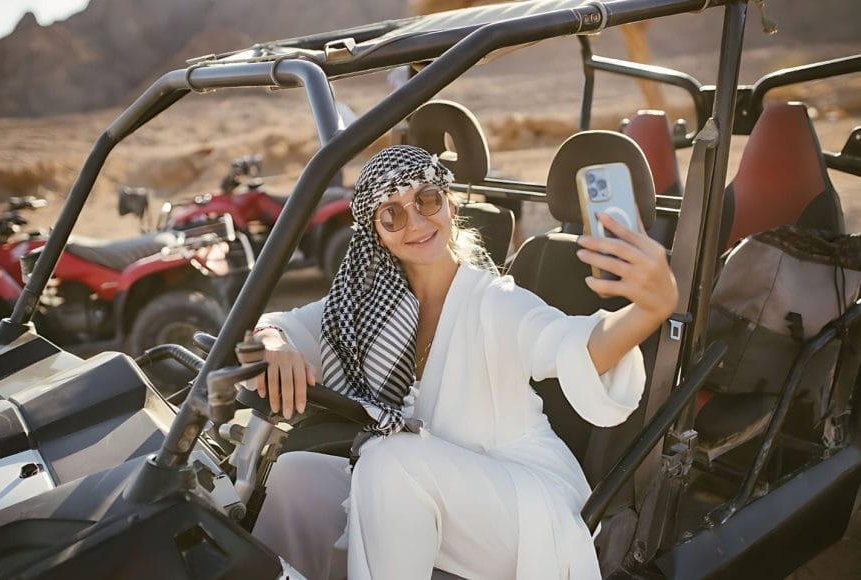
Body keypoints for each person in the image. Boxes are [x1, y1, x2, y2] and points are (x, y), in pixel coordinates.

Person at [247, 145, 677, 580]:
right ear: (376, 232)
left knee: (386, 458)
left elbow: (571, 343)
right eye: (392, 214)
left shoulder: (494, 301)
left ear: (449, 204)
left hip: (523, 507)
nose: (415, 222)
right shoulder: (369, 305)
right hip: (421, 489)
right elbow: (283, 323)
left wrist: (649, 310)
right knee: (294, 476)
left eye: (427, 200)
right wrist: (274, 341)